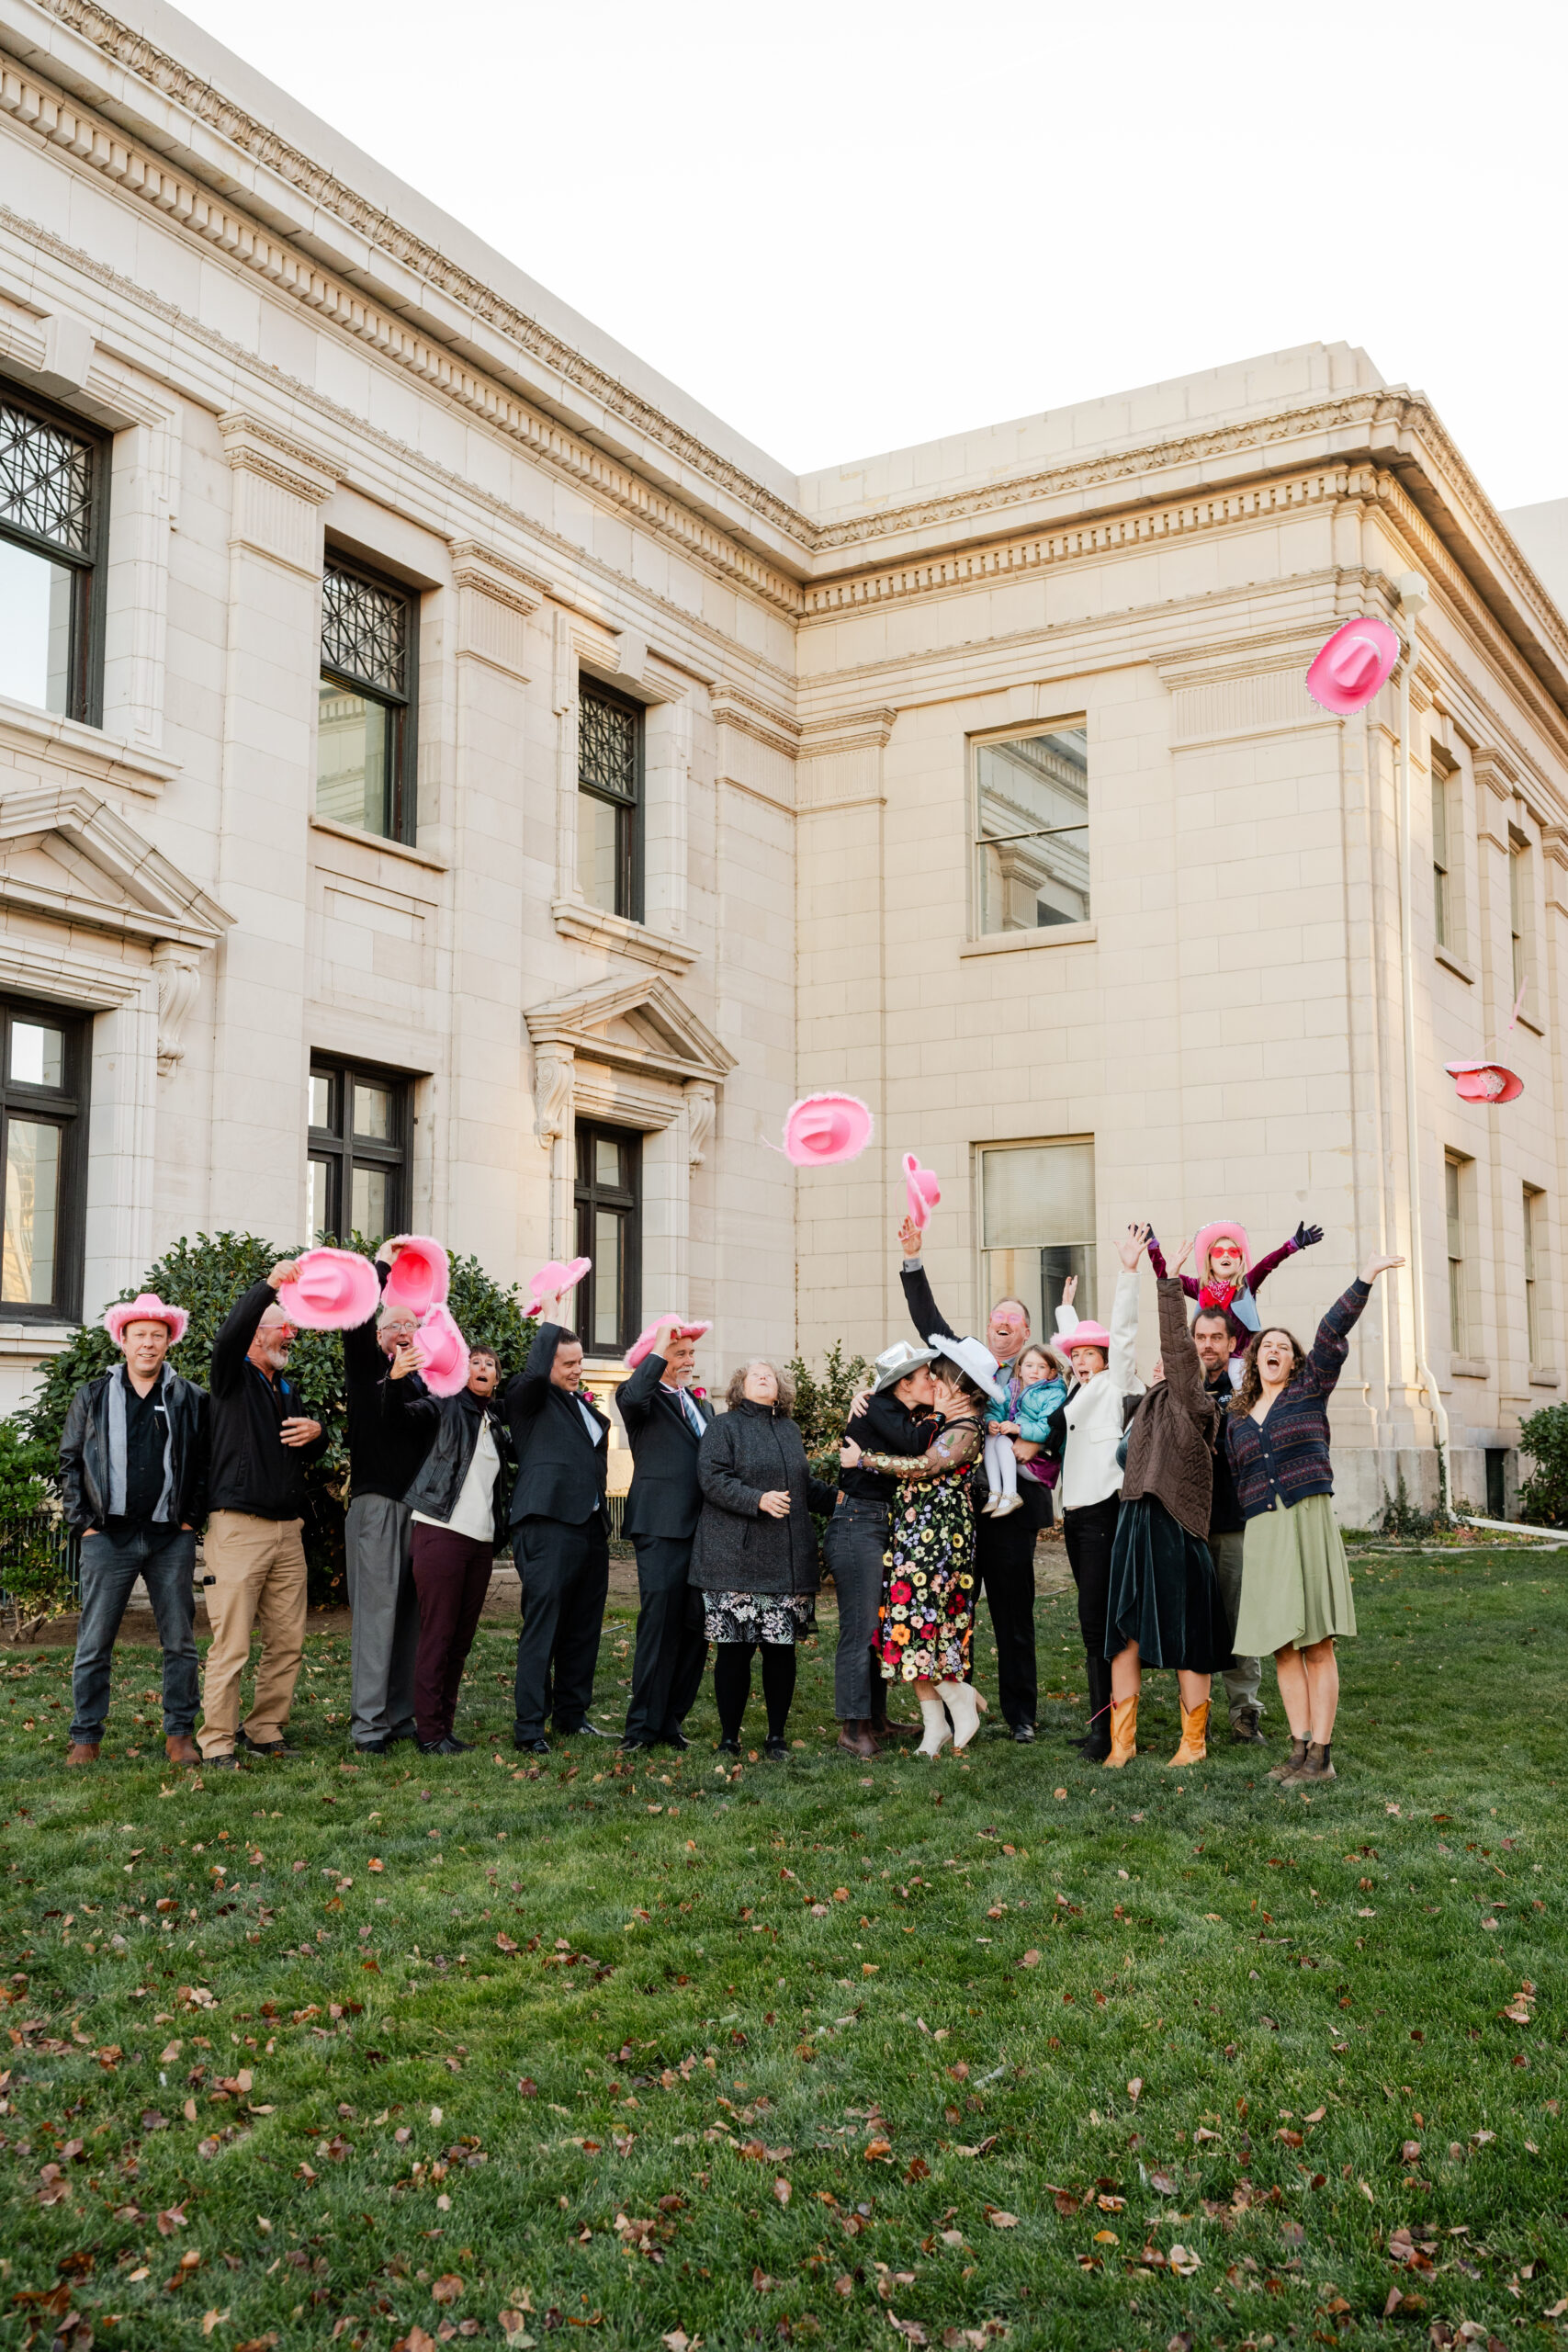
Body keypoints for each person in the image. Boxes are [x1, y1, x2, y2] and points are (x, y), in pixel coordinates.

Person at [1225, 1252, 1404, 1784]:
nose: (1274, 1351)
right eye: (1267, 1348)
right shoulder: (1236, 1418)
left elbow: (1330, 1334)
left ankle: (1321, 1755)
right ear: (1254, 1360)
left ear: (1295, 1361)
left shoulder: (1309, 1391)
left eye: (1284, 1347)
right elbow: (1238, 1477)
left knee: (1317, 1642)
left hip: (1307, 1519)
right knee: (1283, 1643)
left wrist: (1363, 1278)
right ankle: (1298, 1748)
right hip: (1265, 1529)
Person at [897, 1216, 1047, 1741]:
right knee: (955, 1610)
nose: (1002, 1322)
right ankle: (964, 1705)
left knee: (1012, 1615)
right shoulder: (968, 1360)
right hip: (958, 1511)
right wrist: (914, 1260)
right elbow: (929, 1322)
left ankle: (1020, 1715)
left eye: (1013, 1318)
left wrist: (1036, 1441)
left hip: (1013, 1511)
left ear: (1027, 1332)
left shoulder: (1041, 1372)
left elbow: (1059, 1425)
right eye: (996, 1316)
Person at [1101, 1241, 1234, 1769]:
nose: (1177, 1356)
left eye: (1201, 1345)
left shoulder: (1195, 1401)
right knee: (1124, 1637)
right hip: (1133, 1522)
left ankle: (1193, 1742)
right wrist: (1131, 1273)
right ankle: (1122, 1743)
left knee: (1186, 1637)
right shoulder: (1141, 1404)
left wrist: (1168, 1282)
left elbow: (1179, 1353)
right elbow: (1124, 1347)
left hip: (1175, 1526)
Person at [60, 1293, 207, 1767]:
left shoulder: (189, 1397)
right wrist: (83, 1523)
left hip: (170, 1538)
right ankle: (86, 1736)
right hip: (108, 1537)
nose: (148, 1344)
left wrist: (190, 1519)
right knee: (94, 1641)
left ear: (169, 1342)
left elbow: (204, 1464)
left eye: (157, 1336)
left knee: (180, 1643)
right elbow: (70, 1462)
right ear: (122, 1340)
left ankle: (180, 1734)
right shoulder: (94, 1395)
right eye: (139, 1335)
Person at [841, 1337, 998, 1758]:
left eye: (939, 1378)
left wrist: (865, 1459)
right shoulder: (937, 1419)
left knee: (930, 1624)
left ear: (960, 1390)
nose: (933, 1382)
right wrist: (867, 1397)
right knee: (907, 1625)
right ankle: (936, 1725)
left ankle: (959, 1700)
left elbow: (926, 1465)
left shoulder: (966, 1429)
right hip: (911, 1537)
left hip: (942, 1541)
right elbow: (893, 1412)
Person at [197, 1262, 326, 1768]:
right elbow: (229, 1333)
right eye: (281, 1326)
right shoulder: (231, 1377)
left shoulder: (286, 1388)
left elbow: (304, 1451)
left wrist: (320, 1433)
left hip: (286, 1533)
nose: (290, 1335)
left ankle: (266, 1729)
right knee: (231, 1645)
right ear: (255, 1334)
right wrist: (270, 1285)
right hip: (237, 1530)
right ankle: (218, 1742)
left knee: (287, 1641)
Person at [689, 1360, 837, 1759]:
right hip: (735, 1560)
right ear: (739, 1386)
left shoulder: (790, 1430)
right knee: (733, 1651)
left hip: (786, 1562)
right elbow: (713, 1478)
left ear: (779, 1388)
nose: (762, 1376)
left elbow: (802, 1486)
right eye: (753, 1373)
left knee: (780, 1650)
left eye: (769, 1373)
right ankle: (729, 1737)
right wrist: (757, 1499)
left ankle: (776, 1737)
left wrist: (845, 1498)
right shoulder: (724, 1426)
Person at [341, 1247, 438, 1756]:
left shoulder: (426, 1382)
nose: (405, 1332)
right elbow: (355, 1320)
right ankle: (369, 1729)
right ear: (381, 1337)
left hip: (419, 1513)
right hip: (377, 1508)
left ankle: (401, 1718)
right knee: (376, 1619)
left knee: (410, 1620)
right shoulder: (367, 1371)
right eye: (394, 1325)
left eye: (412, 1326)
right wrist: (382, 1267)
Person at [504, 1302, 613, 1755]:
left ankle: (572, 1714)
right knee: (543, 1626)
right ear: (547, 1361)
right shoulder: (527, 1399)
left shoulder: (580, 1405)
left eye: (580, 1362)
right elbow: (531, 1374)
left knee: (584, 1626)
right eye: (567, 1363)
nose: (576, 1370)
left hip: (589, 1526)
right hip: (546, 1525)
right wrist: (551, 1313)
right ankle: (530, 1726)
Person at [1055, 1227, 1145, 1761]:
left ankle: (1110, 1730)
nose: (1084, 1359)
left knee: (1103, 1621)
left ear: (1106, 1358)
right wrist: (1067, 1315)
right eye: (1078, 1354)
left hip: (1104, 1515)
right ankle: (1100, 1723)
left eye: (1092, 1352)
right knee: (1091, 1623)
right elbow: (1071, 1356)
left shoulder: (1115, 1386)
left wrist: (1128, 1273)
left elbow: (1125, 1333)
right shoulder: (1080, 1388)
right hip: (1075, 1517)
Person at [401, 1344, 510, 1755]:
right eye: (475, 1363)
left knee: (460, 1640)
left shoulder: (495, 1421)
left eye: (490, 1364)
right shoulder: (444, 1405)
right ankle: (429, 1732)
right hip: (441, 1531)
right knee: (438, 1635)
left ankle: (444, 1727)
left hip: (480, 1541)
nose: (483, 1368)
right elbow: (406, 1414)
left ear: (497, 1377)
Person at [833, 1340, 938, 1758]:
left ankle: (876, 1719)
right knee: (859, 1631)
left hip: (876, 1523)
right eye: (926, 1376)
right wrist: (945, 1413)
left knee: (874, 1628)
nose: (932, 1380)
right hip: (857, 1524)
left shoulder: (892, 1410)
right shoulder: (879, 1406)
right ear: (903, 1383)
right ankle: (852, 1728)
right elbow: (914, 1446)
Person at [617, 1315, 716, 1754]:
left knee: (695, 1627)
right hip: (660, 1527)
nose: (690, 1360)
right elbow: (633, 1392)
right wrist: (659, 1345)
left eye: (692, 1353)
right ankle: (640, 1727)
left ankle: (671, 1719)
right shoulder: (641, 1400)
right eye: (681, 1354)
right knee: (658, 1626)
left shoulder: (700, 1404)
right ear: (657, 1360)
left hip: (704, 1531)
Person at [1193, 1303, 1265, 1744]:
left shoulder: (1245, 1390)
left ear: (1231, 1343)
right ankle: (1193, 1712)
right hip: (1187, 1522)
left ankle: (1244, 1711)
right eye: (1201, 1338)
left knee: (1238, 1620)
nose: (1207, 1346)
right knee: (1193, 1619)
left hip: (1232, 1521)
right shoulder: (1180, 1385)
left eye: (1216, 1337)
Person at [1148, 1219, 1324, 1375]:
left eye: (1233, 1252)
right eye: (1219, 1251)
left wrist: (1292, 1245)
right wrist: (1152, 1247)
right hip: (1207, 1362)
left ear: (1240, 1260)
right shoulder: (1199, 1287)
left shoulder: (1246, 1284)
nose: (1226, 1255)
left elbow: (1267, 1264)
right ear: (1209, 1259)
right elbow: (1166, 1275)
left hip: (1240, 1363)